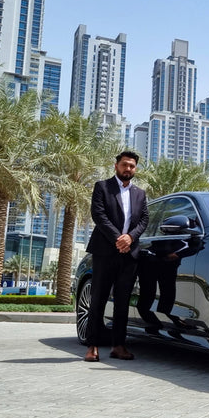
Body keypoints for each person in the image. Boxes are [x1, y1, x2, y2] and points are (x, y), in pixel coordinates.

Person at [83, 151, 149, 362]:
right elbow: (98, 214)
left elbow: (144, 220)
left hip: (129, 254)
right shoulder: (102, 187)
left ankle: (118, 346)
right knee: (98, 299)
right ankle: (92, 346)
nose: (127, 169)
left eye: (131, 166)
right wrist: (118, 238)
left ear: (135, 169)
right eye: (124, 165)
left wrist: (130, 238)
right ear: (116, 166)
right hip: (104, 252)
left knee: (123, 301)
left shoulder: (140, 193)